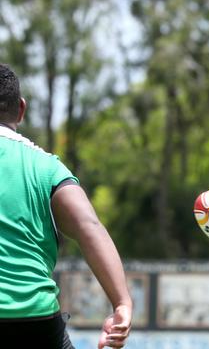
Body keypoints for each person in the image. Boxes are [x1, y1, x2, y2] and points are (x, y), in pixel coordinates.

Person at [0, 63, 132, 348]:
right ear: (21, 109)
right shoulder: (47, 168)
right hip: (34, 319)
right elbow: (89, 227)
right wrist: (121, 303)